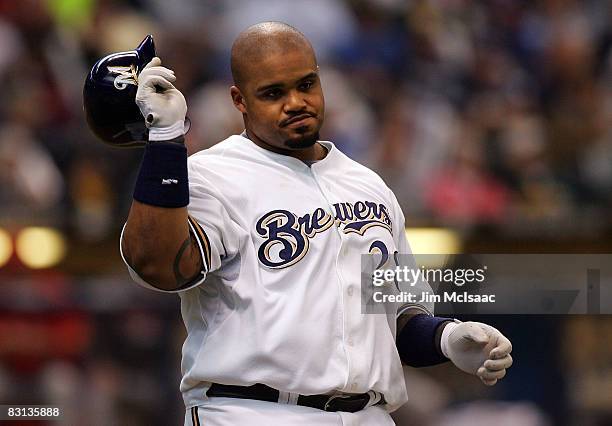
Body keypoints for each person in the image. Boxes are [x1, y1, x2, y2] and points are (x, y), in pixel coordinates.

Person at [120, 22, 513, 426]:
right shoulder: (212, 175)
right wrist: (166, 140)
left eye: (306, 84)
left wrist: (445, 338)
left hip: (368, 415)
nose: (295, 102)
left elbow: (390, 317)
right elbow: (158, 267)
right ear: (239, 100)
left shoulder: (368, 185)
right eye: (273, 93)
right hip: (249, 411)